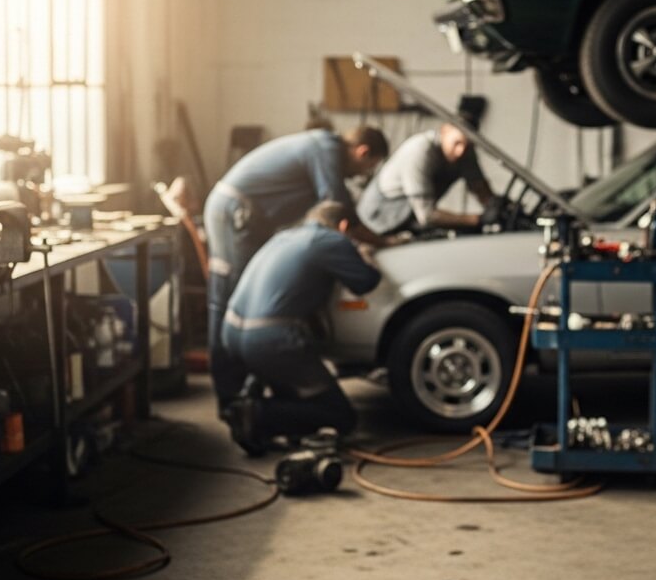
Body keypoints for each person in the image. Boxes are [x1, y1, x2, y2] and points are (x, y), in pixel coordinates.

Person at [204, 125, 388, 407]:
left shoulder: (320, 147)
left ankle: (253, 392)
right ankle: (234, 400)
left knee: (245, 303)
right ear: (362, 151)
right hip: (235, 213)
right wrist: (382, 241)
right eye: (368, 167)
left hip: (241, 215)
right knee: (234, 304)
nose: (362, 175)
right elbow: (339, 207)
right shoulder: (325, 148)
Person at [220, 201, 382, 455]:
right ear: (343, 226)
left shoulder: (284, 236)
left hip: (231, 332)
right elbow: (365, 282)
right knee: (341, 416)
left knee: (298, 398)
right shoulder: (331, 240)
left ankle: (253, 405)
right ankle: (257, 414)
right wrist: (366, 256)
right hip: (270, 340)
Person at [356, 118, 496, 234]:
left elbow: (479, 187)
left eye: (467, 145)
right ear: (444, 131)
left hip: (407, 219)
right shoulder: (420, 151)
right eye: (457, 143)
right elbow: (427, 215)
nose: (460, 151)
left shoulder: (465, 153)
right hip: (376, 221)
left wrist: (494, 205)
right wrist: (477, 220)